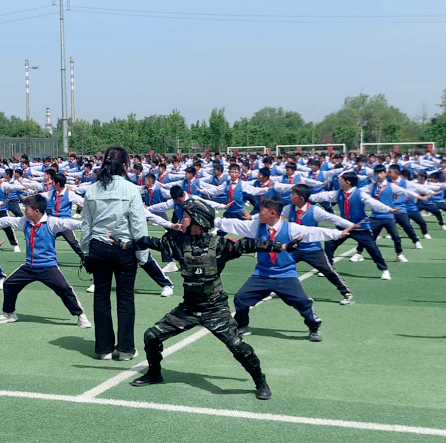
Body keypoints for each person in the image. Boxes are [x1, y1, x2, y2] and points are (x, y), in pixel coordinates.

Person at [131, 199, 281, 399]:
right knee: (151, 336)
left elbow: (248, 245)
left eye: (185, 217)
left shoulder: (218, 245)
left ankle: (260, 381)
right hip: (188, 309)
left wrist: (281, 246)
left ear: (197, 221)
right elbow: (150, 242)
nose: (181, 220)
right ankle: (154, 373)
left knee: (238, 346)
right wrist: (124, 243)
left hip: (215, 309)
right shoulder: (178, 243)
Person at [217, 197, 359, 340]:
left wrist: (338, 234)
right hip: (261, 274)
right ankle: (243, 326)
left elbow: (313, 232)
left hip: (285, 275)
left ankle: (313, 327)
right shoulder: (255, 226)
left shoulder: (291, 228)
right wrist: (212, 220)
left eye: (261, 211)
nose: (258, 214)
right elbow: (233, 224)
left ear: (272, 213)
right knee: (241, 299)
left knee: (302, 302)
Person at [80, 146, 149, 361]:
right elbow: (138, 225)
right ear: (126, 165)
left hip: (98, 247)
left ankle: (103, 348)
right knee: (125, 299)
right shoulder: (131, 189)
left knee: (101, 297)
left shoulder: (92, 190)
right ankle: (126, 348)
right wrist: (142, 255)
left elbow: (85, 225)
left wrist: (85, 252)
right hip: (124, 248)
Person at [0, 194, 91, 328]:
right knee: (9, 284)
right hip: (29, 267)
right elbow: (7, 220)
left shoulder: (52, 223)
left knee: (64, 289)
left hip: (48, 267)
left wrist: (88, 225)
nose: (24, 211)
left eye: (26, 208)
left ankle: (80, 316)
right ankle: (9, 314)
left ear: (36, 211)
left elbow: (70, 223)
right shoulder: (24, 222)